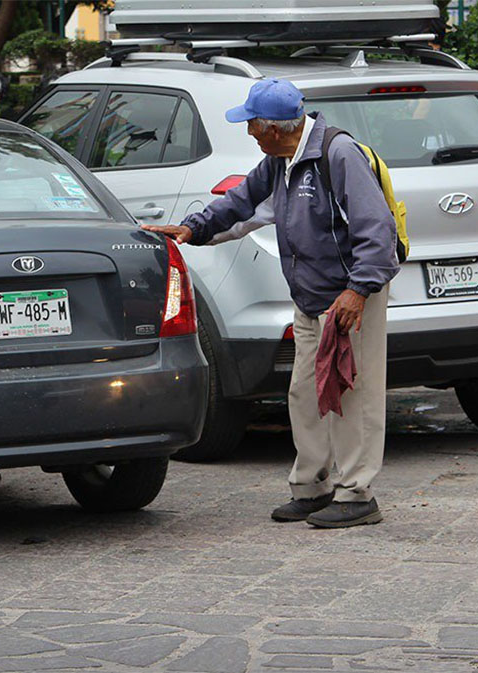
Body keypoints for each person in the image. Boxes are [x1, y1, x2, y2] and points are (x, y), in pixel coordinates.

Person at [142, 78, 398, 528]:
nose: (249, 133)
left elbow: (378, 232)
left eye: (252, 125)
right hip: (311, 298)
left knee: (353, 397)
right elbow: (240, 204)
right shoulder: (278, 160)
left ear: (275, 128)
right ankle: (311, 488)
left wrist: (358, 291)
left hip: (348, 298)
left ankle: (357, 494)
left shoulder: (338, 156)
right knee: (304, 394)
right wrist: (191, 229)